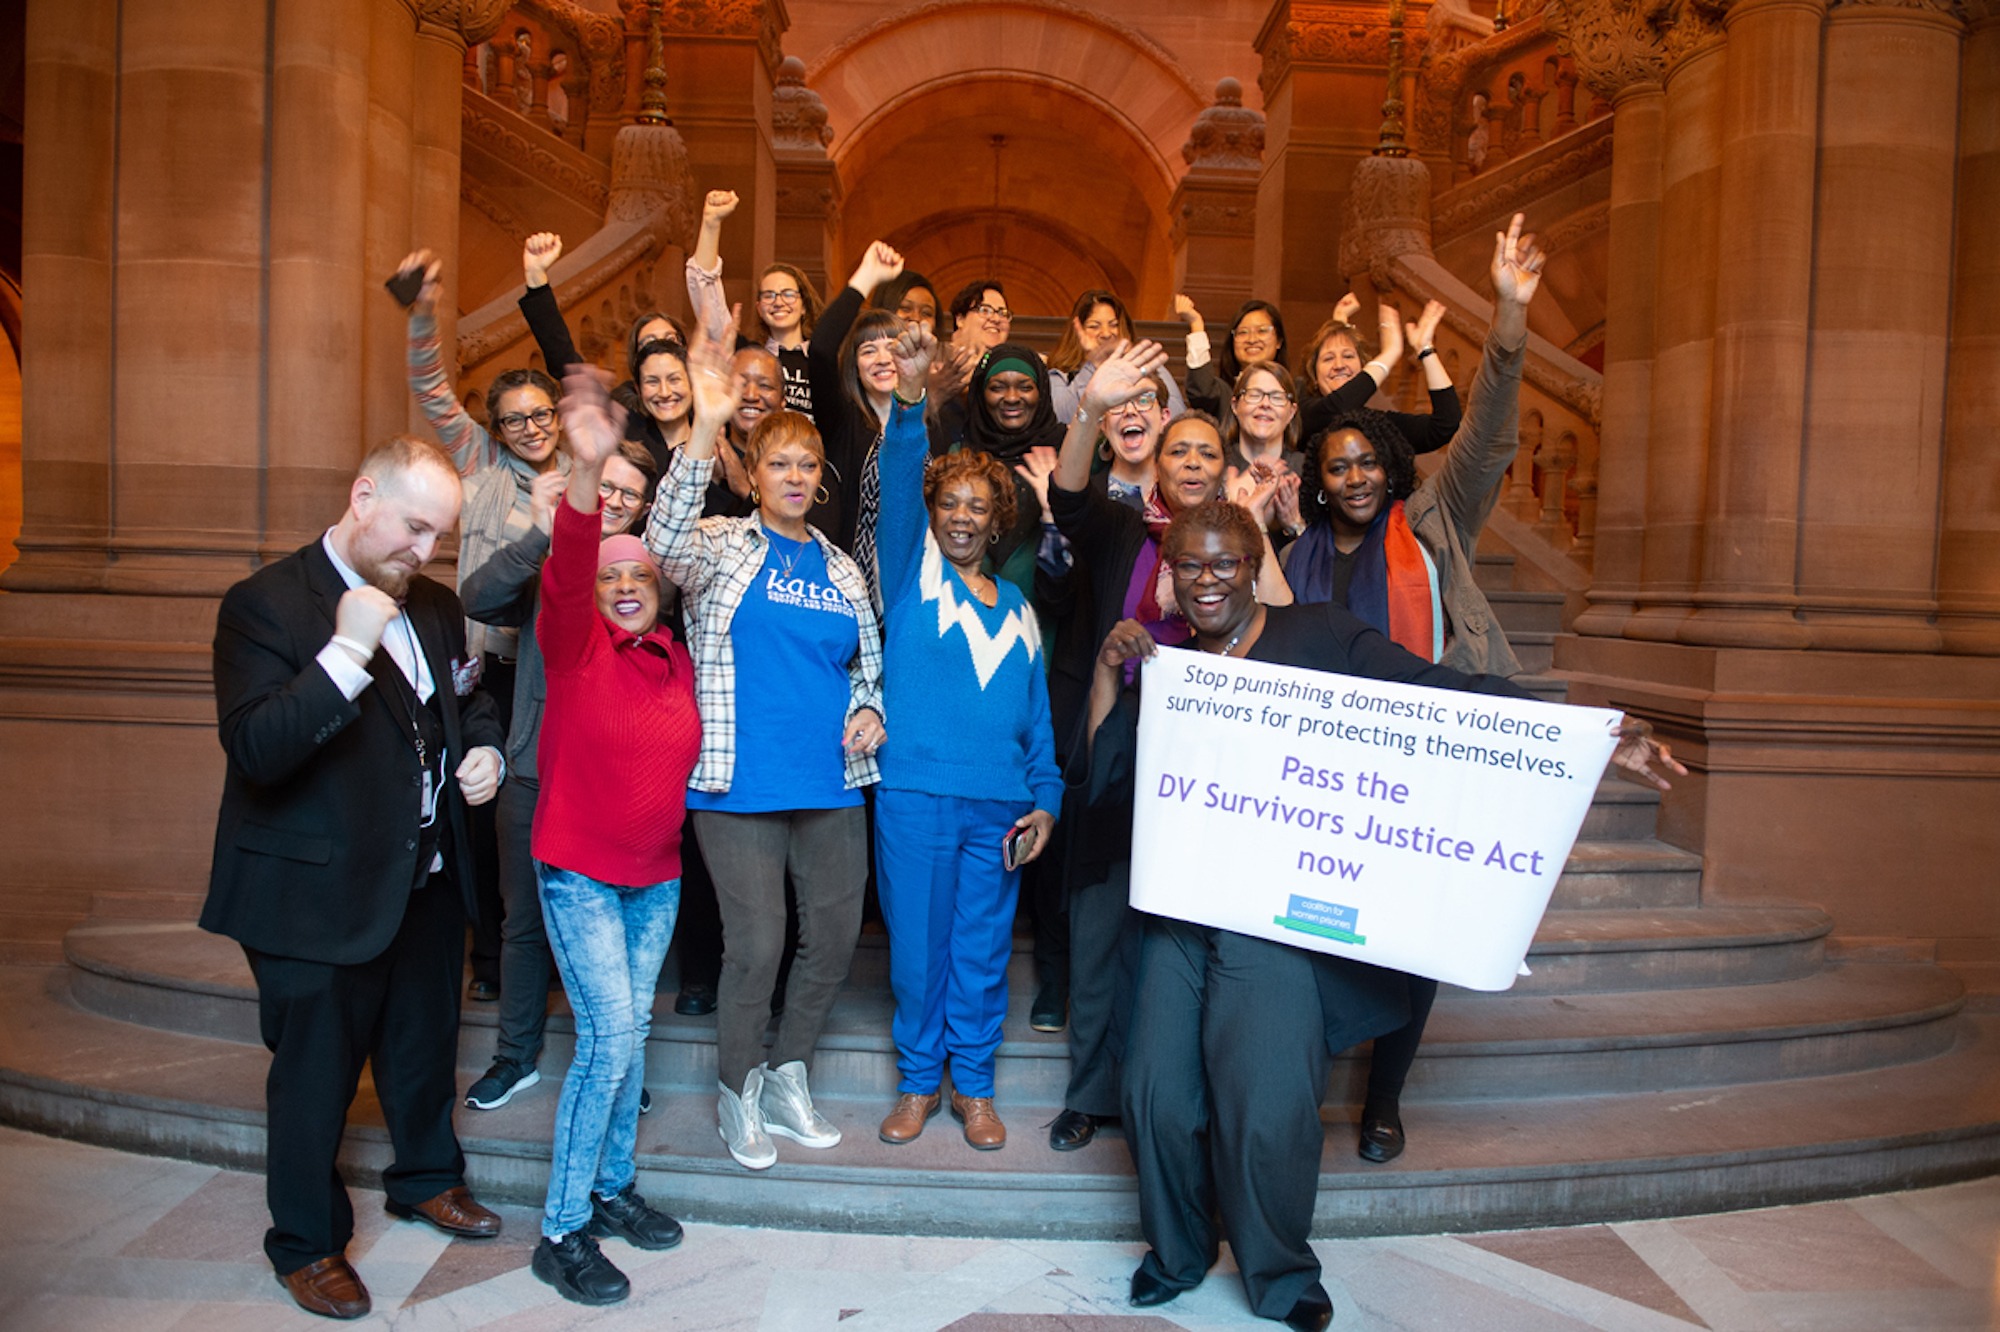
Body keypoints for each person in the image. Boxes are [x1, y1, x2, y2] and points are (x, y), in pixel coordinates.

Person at [1096, 499, 1684, 1330]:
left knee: (1268, 1103)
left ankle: (1279, 1270)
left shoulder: (1324, 634)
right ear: (1168, 575)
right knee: (1156, 1091)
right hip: (1178, 912)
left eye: (1225, 563)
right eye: (1188, 564)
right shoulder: (1168, 665)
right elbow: (1111, 788)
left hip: (1274, 916)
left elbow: (1443, 695)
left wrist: (1591, 735)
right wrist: (1110, 676)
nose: (1205, 580)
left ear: (1254, 564)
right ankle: (1178, 1252)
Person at [200, 436, 508, 1321]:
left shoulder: (440, 607)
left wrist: (482, 747)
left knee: (421, 1051)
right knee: (315, 1076)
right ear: (363, 495)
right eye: (414, 528)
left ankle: (424, 1180)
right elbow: (258, 749)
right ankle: (305, 1244)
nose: (424, 551)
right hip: (313, 893)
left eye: (439, 537)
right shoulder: (264, 604)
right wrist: (344, 655)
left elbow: (468, 699)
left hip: (425, 878)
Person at [1281, 213, 1550, 1164]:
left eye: (1366, 461)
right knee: (1306, 933)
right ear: (1317, 478)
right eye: (1337, 464)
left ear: (1389, 467)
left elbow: (1485, 434)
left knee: (1414, 936)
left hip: (1425, 754)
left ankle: (1385, 1099)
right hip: (1317, 771)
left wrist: (1508, 321)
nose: (1353, 475)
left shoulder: (1433, 519)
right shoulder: (1291, 553)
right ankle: (1297, 1094)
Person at [1040, 342, 1295, 1153]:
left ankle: (1166, 1094)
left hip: (1214, 768)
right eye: (1178, 448)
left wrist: (1252, 523)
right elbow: (1069, 493)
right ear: (1157, 460)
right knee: (1098, 925)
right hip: (1120, 748)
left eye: (1205, 451)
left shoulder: (1234, 545)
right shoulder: (1124, 528)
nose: (1190, 460)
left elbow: (1284, 620)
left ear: (1223, 468)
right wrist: (1089, 410)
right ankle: (1088, 1095)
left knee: (1178, 939)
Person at [644, 332, 886, 1172]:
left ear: (821, 480)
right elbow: (661, 544)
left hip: (830, 782)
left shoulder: (843, 570)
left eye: (806, 466)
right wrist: (705, 431)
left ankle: (788, 1076)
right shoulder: (719, 546)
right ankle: (736, 1092)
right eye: (777, 462)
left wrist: (869, 709)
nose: (793, 477)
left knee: (831, 940)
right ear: (754, 470)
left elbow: (869, 667)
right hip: (736, 783)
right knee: (755, 947)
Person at [525, 365, 703, 1306]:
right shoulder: (573, 641)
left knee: (630, 1035)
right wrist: (588, 472)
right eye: (612, 578)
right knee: (605, 1040)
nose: (626, 586)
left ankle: (611, 1185)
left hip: (657, 877)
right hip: (581, 874)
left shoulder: (673, 655)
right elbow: (568, 561)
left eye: (641, 577)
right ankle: (561, 1230)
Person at [868, 323, 1063, 1151]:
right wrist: (912, 400)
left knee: (982, 952)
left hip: (1001, 810)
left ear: (996, 524)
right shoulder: (912, 575)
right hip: (914, 797)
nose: (960, 517)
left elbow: (1039, 726)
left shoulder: (1020, 612)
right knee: (917, 949)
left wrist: (1046, 803)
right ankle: (918, 1082)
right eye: (949, 504)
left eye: (977, 508)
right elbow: (907, 462)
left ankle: (973, 1087)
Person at [458, 441, 657, 1114]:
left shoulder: (649, 581)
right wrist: (545, 527)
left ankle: (616, 1065)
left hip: (614, 788)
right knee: (523, 925)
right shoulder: (548, 570)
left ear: (643, 508)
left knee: (613, 935)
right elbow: (478, 598)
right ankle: (515, 1057)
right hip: (535, 775)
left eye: (628, 494)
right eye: (604, 488)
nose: (614, 502)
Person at [400, 246, 567, 1004]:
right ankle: (492, 961)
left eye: (540, 414)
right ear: (496, 427)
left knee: (547, 820)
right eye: (514, 419)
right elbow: (432, 389)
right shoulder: (479, 464)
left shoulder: (586, 477)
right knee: (480, 820)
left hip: (551, 669)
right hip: (482, 671)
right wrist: (422, 311)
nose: (530, 427)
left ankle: (553, 958)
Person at [686, 188, 823, 418]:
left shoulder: (824, 360)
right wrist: (711, 224)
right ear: (759, 308)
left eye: (788, 294)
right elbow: (706, 294)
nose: (778, 302)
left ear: (804, 305)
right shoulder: (744, 353)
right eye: (769, 295)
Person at [1297, 294, 1461, 458]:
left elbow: (1444, 425)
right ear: (1314, 375)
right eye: (1328, 358)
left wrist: (1425, 350)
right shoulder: (1300, 411)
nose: (1339, 365)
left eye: (1348, 356)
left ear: (1362, 369)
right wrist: (1390, 353)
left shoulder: (1376, 424)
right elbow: (1337, 409)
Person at [1045, 289, 1187, 423]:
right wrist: (1093, 365)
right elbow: (1061, 418)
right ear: (1078, 331)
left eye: (1113, 325)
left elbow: (1175, 417)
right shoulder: (1060, 374)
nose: (1106, 334)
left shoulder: (1147, 366)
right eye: (1094, 326)